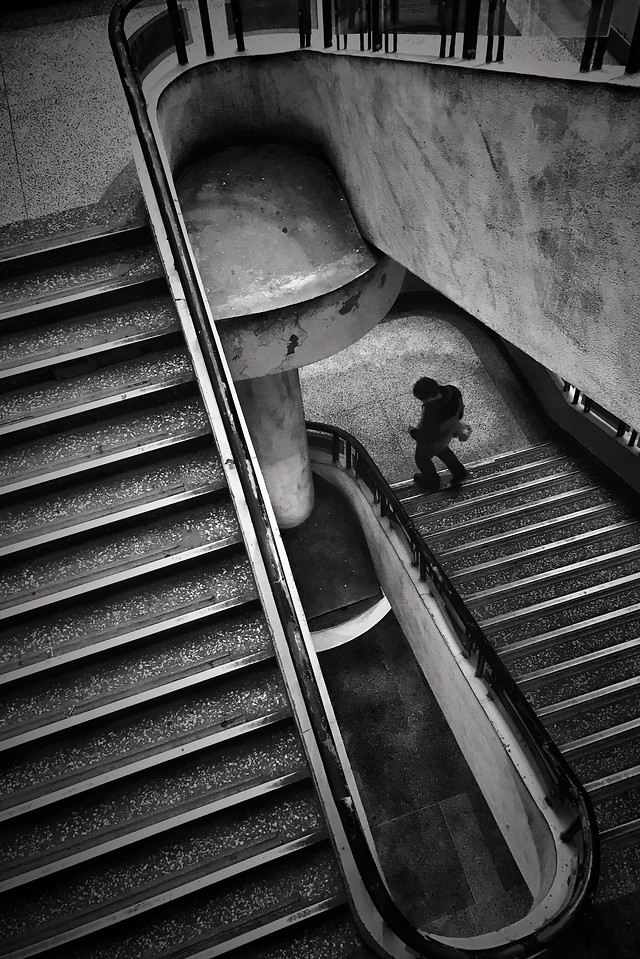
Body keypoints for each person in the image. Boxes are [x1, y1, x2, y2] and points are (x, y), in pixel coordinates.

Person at [409, 376, 472, 491]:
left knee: (421, 458)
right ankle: (459, 472)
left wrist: (412, 431)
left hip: (436, 436)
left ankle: (431, 481)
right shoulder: (452, 391)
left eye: (422, 399)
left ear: (427, 398)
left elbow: (427, 438)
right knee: (442, 450)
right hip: (448, 430)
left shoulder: (431, 413)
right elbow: (460, 408)